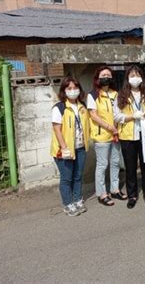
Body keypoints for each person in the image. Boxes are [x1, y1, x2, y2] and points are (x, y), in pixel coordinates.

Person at [114, 65, 145, 209]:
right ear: (127, 78)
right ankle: (132, 196)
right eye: (132, 76)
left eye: (137, 75)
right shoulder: (121, 95)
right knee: (130, 168)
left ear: (142, 77)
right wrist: (131, 116)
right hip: (128, 136)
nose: (135, 78)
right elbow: (117, 116)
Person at [51, 76, 90, 217]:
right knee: (67, 178)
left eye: (75, 88)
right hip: (65, 149)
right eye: (69, 88)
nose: (73, 91)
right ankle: (68, 204)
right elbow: (57, 129)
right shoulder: (59, 108)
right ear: (64, 90)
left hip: (80, 147)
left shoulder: (82, 106)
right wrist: (64, 147)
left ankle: (78, 199)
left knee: (78, 176)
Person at [88, 66, 125, 206]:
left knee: (115, 163)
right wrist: (110, 127)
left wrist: (116, 129)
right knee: (102, 165)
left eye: (108, 75)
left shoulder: (116, 93)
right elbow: (93, 115)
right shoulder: (92, 95)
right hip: (102, 135)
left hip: (116, 134)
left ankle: (115, 189)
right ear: (97, 78)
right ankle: (102, 193)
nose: (106, 77)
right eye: (103, 75)